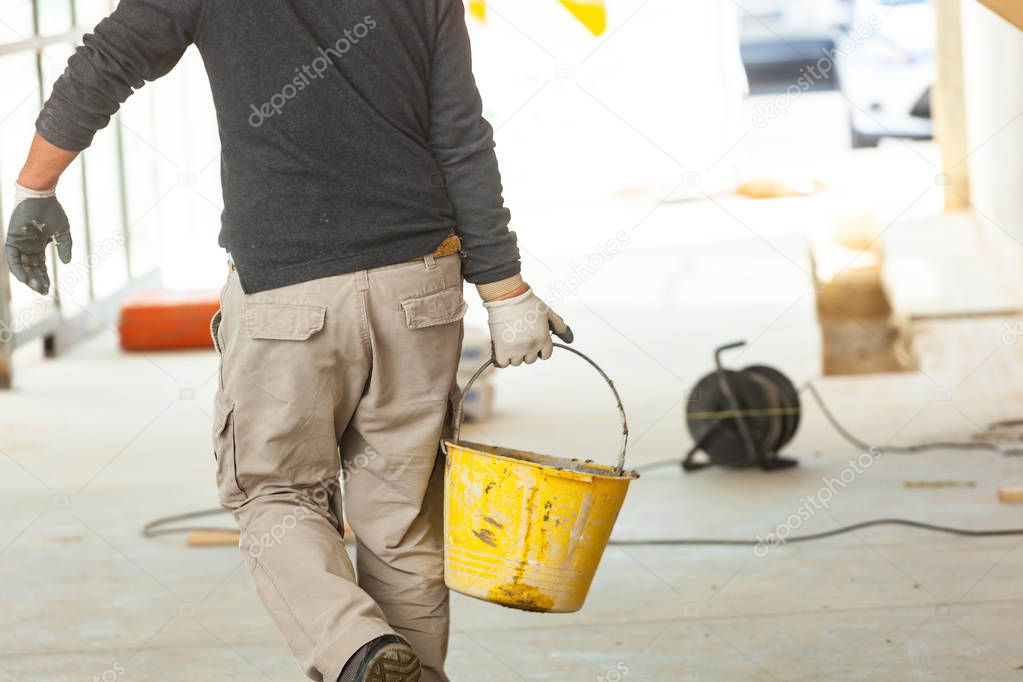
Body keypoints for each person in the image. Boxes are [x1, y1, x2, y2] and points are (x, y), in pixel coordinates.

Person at [5, 1, 570, 680]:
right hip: (418, 284)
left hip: (286, 293)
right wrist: (502, 288)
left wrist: (36, 186)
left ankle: (356, 649)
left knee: (275, 495)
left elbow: (108, 59)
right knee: (399, 518)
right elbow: (460, 132)